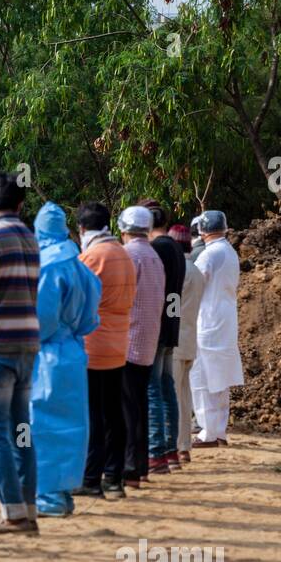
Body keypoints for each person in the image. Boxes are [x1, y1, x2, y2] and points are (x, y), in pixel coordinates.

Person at [0, 172, 41, 533]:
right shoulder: (32, 240)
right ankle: (29, 508)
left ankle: (12, 512)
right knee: (21, 428)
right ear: (20, 204)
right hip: (27, 345)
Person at [31, 202, 100, 517]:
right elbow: (90, 318)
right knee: (73, 425)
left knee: (44, 424)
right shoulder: (79, 265)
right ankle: (64, 491)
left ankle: (49, 496)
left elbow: (42, 317)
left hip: (48, 354)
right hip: (74, 350)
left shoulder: (47, 265)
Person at [76, 202, 136, 501]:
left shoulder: (91, 257)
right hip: (118, 345)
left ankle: (90, 478)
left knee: (94, 416)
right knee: (114, 414)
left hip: (93, 346)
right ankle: (114, 478)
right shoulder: (123, 255)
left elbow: (77, 302)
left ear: (83, 229)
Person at [118, 205, 165, 488]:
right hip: (149, 340)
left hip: (128, 340)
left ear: (124, 230)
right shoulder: (153, 256)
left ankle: (131, 469)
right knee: (139, 403)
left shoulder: (128, 256)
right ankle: (142, 465)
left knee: (128, 407)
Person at [191, 210, 245, 446]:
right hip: (224, 320)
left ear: (202, 231)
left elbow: (194, 285)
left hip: (208, 321)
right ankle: (218, 430)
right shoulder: (229, 252)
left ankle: (208, 432)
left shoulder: (209, 255)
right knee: (219, 377)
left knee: (201, 377)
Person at [143, 203, 187, 476]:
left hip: (156, 325)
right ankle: (171, 448)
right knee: (166, 385)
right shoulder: (175, 248)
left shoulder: (156, 249)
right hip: (172, 324)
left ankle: (156, 451)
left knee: (153, 387)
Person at [169, 223, 206, 462]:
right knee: (185, 395)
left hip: (174, 342)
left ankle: (174, 446)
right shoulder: (196, 271)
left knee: (173, 396)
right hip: (190, 340)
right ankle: (184, 447)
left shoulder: (176, 271)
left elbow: (171, 309)